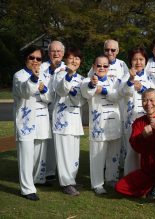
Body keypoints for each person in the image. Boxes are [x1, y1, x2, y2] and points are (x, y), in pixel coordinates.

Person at [13, 45, 52, 201]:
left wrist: (43, 90)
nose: (35, 61)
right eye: (32, 58)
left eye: (39, 59)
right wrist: (34, 79)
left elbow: (49, 97)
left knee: (39, 155)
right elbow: (24, 91)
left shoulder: (43, 75)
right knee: (26, 156)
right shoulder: (19, 76)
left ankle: (37, 179)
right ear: (26, 59)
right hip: (26, 120)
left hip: (42, 120)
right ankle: (27, 188)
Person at [81, 55, 122, 194]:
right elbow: (87, 92)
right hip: (98, 124)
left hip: (114, 123)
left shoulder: (114, 81)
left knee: (113, 154)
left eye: (105, 66)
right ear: (93, 66)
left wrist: (103, 90)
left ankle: (111, 178)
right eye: (99, 66)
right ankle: (97, 184)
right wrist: (93, 85)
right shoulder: (87, 80)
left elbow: (118, 95)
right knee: (97, 155)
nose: (102, 68)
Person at [88, 39, 129, 170]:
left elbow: (126, 85)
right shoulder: (96, 66)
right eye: (107, 49)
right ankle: (104, 167)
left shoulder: (122, 65)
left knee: (119, 139)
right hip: (101, 107)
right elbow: (90, 84)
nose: (110, 52)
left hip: (119, 106)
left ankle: (118, 167)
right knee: (103, 138)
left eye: (113, 50)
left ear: (118, 51)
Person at [52, 47, 85, 196]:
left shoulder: (82, 79)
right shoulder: (59, 74)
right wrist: (69, 77)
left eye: (77, 59)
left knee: (73, 154)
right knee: (64, 152)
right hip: (62, 119)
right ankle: (66, 183)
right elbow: (60, 90)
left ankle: (71, 179)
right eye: (71, 58)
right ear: (66, 59)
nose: (74, 61)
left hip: (75, 119)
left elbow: (81, 100)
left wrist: (74, 92)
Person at [121, 47, 155, 175]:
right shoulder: (125, 76)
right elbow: (123, 92)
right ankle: (130, 178)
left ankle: (147, 178)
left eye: (141, 59)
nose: (138, 62)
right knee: (131, 150)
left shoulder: (151, 78)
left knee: (147, 150)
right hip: (131, 120)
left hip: (147, 120)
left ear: (146, 61)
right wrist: (131, 81)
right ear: (130, 61)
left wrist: (142, 89)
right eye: (135, 59)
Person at [40, 40, 66, 183]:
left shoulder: (66, 67)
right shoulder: (42, 66)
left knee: (59, 144)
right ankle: (45, 172)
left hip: (61, 111)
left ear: (63, 53)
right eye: (53, 51)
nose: (56, 54)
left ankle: (58, 172)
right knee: (46, 142)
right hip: (44, 109)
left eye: (59, 51)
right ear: (48, 53)